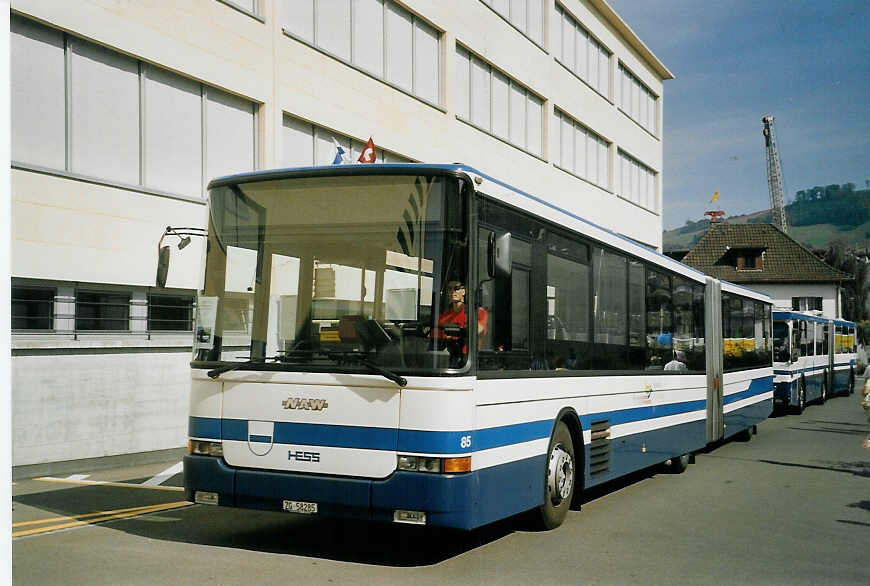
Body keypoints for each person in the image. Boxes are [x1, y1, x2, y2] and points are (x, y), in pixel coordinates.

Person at [436, 280, 488, 359]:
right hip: (448, 357)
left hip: (470, 360)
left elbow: (479, 331)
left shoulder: (478, 312)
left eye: (456, 288)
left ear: (464, 291)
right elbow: (436, 338)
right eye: (450, 289)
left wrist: (469, 311)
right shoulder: (444, 316)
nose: (453, 291)